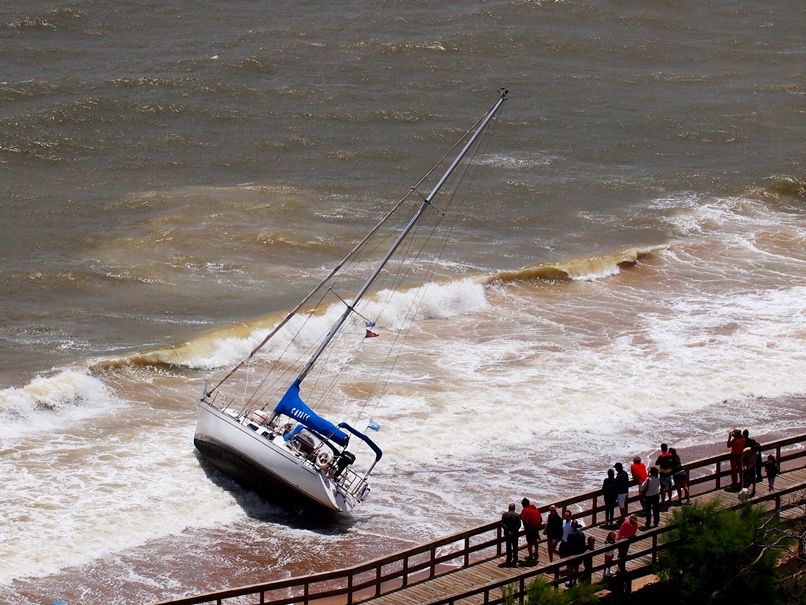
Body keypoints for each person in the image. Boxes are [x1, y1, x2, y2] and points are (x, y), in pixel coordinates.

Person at [520, 498, 543, 564]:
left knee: (529, 542)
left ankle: (530, 555)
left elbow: (524, 521)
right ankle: (536, 553)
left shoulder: (524, 510)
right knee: (535, 540)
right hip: (536, 527)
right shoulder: (534, 508)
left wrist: (526, 529)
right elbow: (540, 519)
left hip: (530, 528)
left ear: (524, 504)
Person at [564, 520, 586, 587]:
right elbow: (583, 545)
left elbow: (568, 546)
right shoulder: (581, 533)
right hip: (579, 554)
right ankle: (575, 581)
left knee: (570, 569)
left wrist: (566, 555)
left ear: (572, 526)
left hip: (572, 555)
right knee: (576, 568)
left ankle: (571, 582)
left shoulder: (570, 535)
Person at [500, 503, 521, 567]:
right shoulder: (517, 515)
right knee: (515, 547)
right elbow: (519, 525)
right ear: (514, 509)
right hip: (515, 534)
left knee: (508, 547)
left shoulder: (505, 514)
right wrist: (514, 531)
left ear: (509, 508)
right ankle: (515, 561)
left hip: (507, 533)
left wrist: (508, 530)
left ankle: (508, 560)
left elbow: (502, 523)